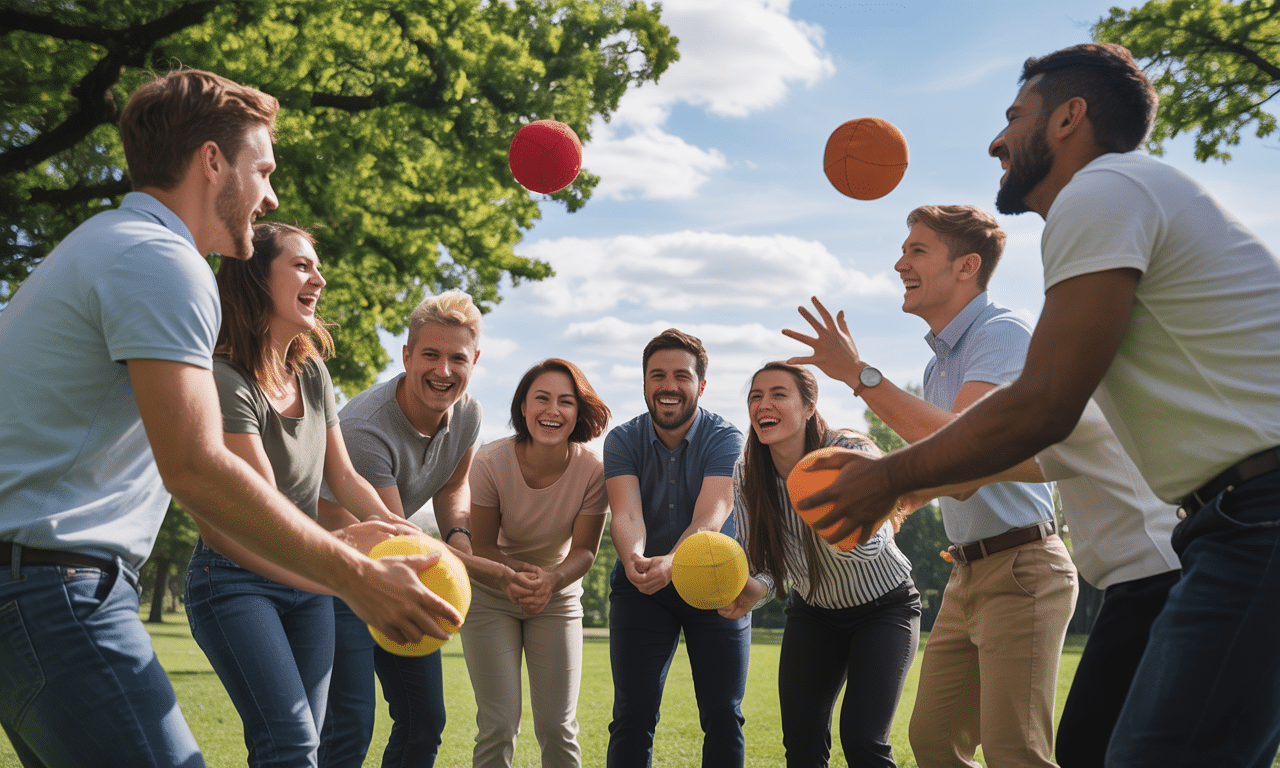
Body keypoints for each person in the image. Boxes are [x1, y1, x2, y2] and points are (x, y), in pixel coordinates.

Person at [797, 43, 1280, 768]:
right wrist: (915, 484)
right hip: (1223, 525)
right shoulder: (1114, 221)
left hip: (1258, 519)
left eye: (1014, 117)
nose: (996, 140)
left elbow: (1041, 405)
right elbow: (1032, 446)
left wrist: (888, 475)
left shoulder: (1101, 191)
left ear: (1068, 119)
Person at [0, 70, 457, 768]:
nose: (270, 195)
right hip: (55, 592)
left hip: (36, 588)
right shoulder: (163, 262)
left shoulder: (107, 240)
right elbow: (197, 469)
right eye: (263, 168)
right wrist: (355, 576)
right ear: (212, 162)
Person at [785, 205, 1077, 768]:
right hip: (966, 571)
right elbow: (957, 474)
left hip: (1023, 569)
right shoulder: (939, 367)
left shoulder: (1001, 332)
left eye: (917, 250)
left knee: (1017, 751)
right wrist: (890, 500)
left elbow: (962, 444)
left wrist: (859, 374)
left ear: (967, 266)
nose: (900, 263)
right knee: (935, 742)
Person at [183, 222, 422, 767]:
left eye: (316, 265)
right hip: (236, 578)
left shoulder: (311, 371)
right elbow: (259, 503)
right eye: (301, 265)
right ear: (255, 280)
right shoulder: (226, 379)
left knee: (301, 746)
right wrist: (352, 542)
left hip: (309, 578)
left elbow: (343, 478)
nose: (319, 276)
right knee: (288, 743)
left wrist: (399, 532)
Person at [900, 398, 1180, 768]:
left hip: (1160, 573)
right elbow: (991, 456)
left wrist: (890, 476)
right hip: (1127, 581)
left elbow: (983, 448)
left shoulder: (1078, 393)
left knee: (1073, 748)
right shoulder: (1074, 405)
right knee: (1080, 747)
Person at [317, 289, 489, 768]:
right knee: (349, 724)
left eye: (458, 358)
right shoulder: (364, 428)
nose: (444, 371)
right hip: (338, 576)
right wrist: (486, 571)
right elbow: (392, 533)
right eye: (430, 355)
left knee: (423, 720)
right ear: (408, 355)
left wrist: (459, 536)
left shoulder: (469, 414)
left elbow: (454, 486)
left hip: (396, 568)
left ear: (474, 361)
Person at [725, 362, 920, 768]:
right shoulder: (747, 473)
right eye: (755, 397)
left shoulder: (849, 453)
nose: (764, 404)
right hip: (814, 614)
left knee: (863, 740)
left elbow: (872, 546)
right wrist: (752, 589)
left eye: (779, 394)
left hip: (884, 609)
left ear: (809, 406)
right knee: (802, 745)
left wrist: (821, 513)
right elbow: (759, 559)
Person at [603, 328, 748, 768]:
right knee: (632, 716)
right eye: (657, 375)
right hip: (641, 584)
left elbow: (711, 517)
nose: (668, 386)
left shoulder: (726, 437)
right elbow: (626, 516)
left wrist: (671, 563)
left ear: (701, 385)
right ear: (644, 382)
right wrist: (635, 560)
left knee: (723, 715)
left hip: (715, 581)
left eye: (681, 376)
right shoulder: (621, 440)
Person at [460, 358, 611, 768]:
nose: (552, 410)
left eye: (565, 402)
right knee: (498, 724)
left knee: (558, 727)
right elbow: (483, 544)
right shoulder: (490, 462)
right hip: (491, 594)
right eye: (541, 399)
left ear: (577, 413)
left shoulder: (593, 471)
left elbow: (585, 550)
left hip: (557, 598)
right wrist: (514, 578)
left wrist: (552, 579)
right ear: (522, 408)